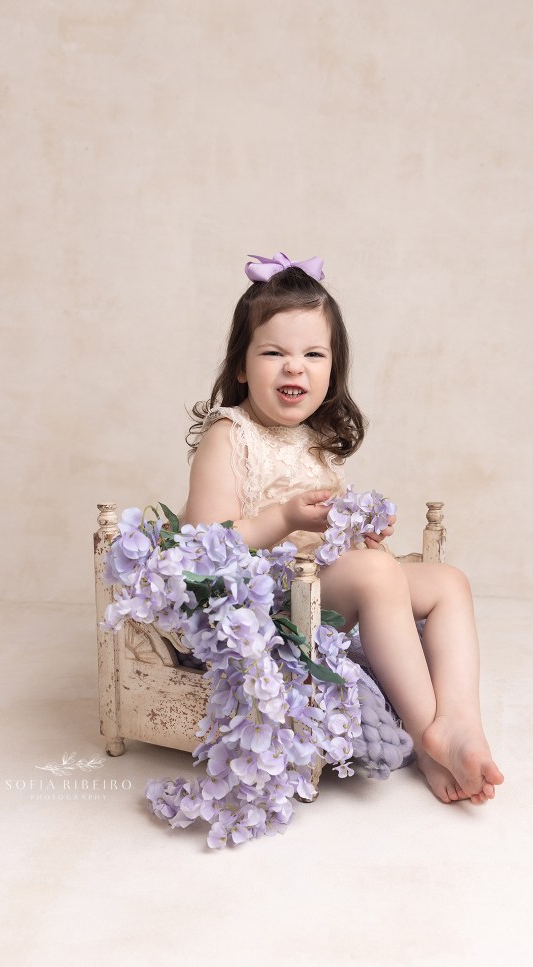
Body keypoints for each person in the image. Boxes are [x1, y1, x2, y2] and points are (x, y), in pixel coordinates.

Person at [181, 251, 504, 805]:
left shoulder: (317, 441)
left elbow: (328, 540)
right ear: (241, 366)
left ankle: (459, 718)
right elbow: (206, 549)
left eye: (312, 354)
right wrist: (283, 518)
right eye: (273, 353)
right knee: (377, 576)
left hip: (318, 583)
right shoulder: (228, 435)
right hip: (263, 601)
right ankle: (432, 739)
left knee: (449, 582)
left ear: (332, 370)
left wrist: (359, 535)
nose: (294, 367)